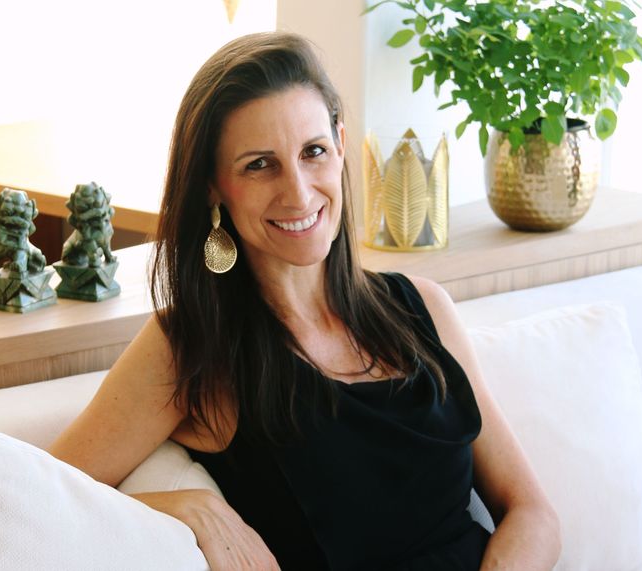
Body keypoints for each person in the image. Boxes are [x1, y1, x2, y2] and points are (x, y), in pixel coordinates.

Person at [49, 31, 561, 570]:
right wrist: (180, 508)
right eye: (259, 165)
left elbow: (532, 513)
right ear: (212, 187)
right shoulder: (194, 345)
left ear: (341, 144)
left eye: (313, 151)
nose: (297, 191)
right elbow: (30, 494)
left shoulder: (423, 309)